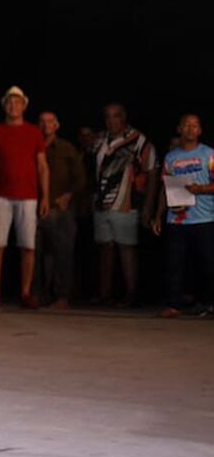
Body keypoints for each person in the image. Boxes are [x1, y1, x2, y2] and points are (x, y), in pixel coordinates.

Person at [0, 86, 49, 310]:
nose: (13, 106)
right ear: (5, 105)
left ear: (24, 106)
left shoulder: (34, 132)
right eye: (10, 102)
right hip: (0, 195)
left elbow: (42, 166)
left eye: (17, 102)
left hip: (28, 196)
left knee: (28, 246)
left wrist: (45, 196)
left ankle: (26, 292)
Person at [93, 103, 155, 307]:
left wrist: (147, 205)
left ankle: (131, 294)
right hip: (102, 203)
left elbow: (152, 171)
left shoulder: (138, 139)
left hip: (126, 203)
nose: (112, 121)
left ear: (124, 117)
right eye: (108, 117)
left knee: (126, 248)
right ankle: (105, 294)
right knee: (105, 248)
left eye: (116, 116)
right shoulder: (100, 139)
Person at [152, 114, 214, 317]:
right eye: (186, 125)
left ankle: (208, 302)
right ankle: (174, 304)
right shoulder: (171, 157)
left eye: (194, 125)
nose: (190, 129)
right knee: (175, 263)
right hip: (177, 218)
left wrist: (202, 188)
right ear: (179, 129)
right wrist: (159, 215)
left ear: (200, 130)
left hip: (204, 217)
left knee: (207, 262)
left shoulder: (209, 154)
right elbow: (164, 188)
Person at [37, 111, 85, 309]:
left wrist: (68, 196)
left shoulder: (66, 148)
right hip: (37, 207)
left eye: (50, 121)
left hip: (60, 208)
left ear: (57, 125)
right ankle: (40, 294)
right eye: (42, 121)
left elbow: (80, 178)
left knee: (62, 254)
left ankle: (62, 296)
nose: (46, 125)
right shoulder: (34, 147)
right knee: (39, 254)